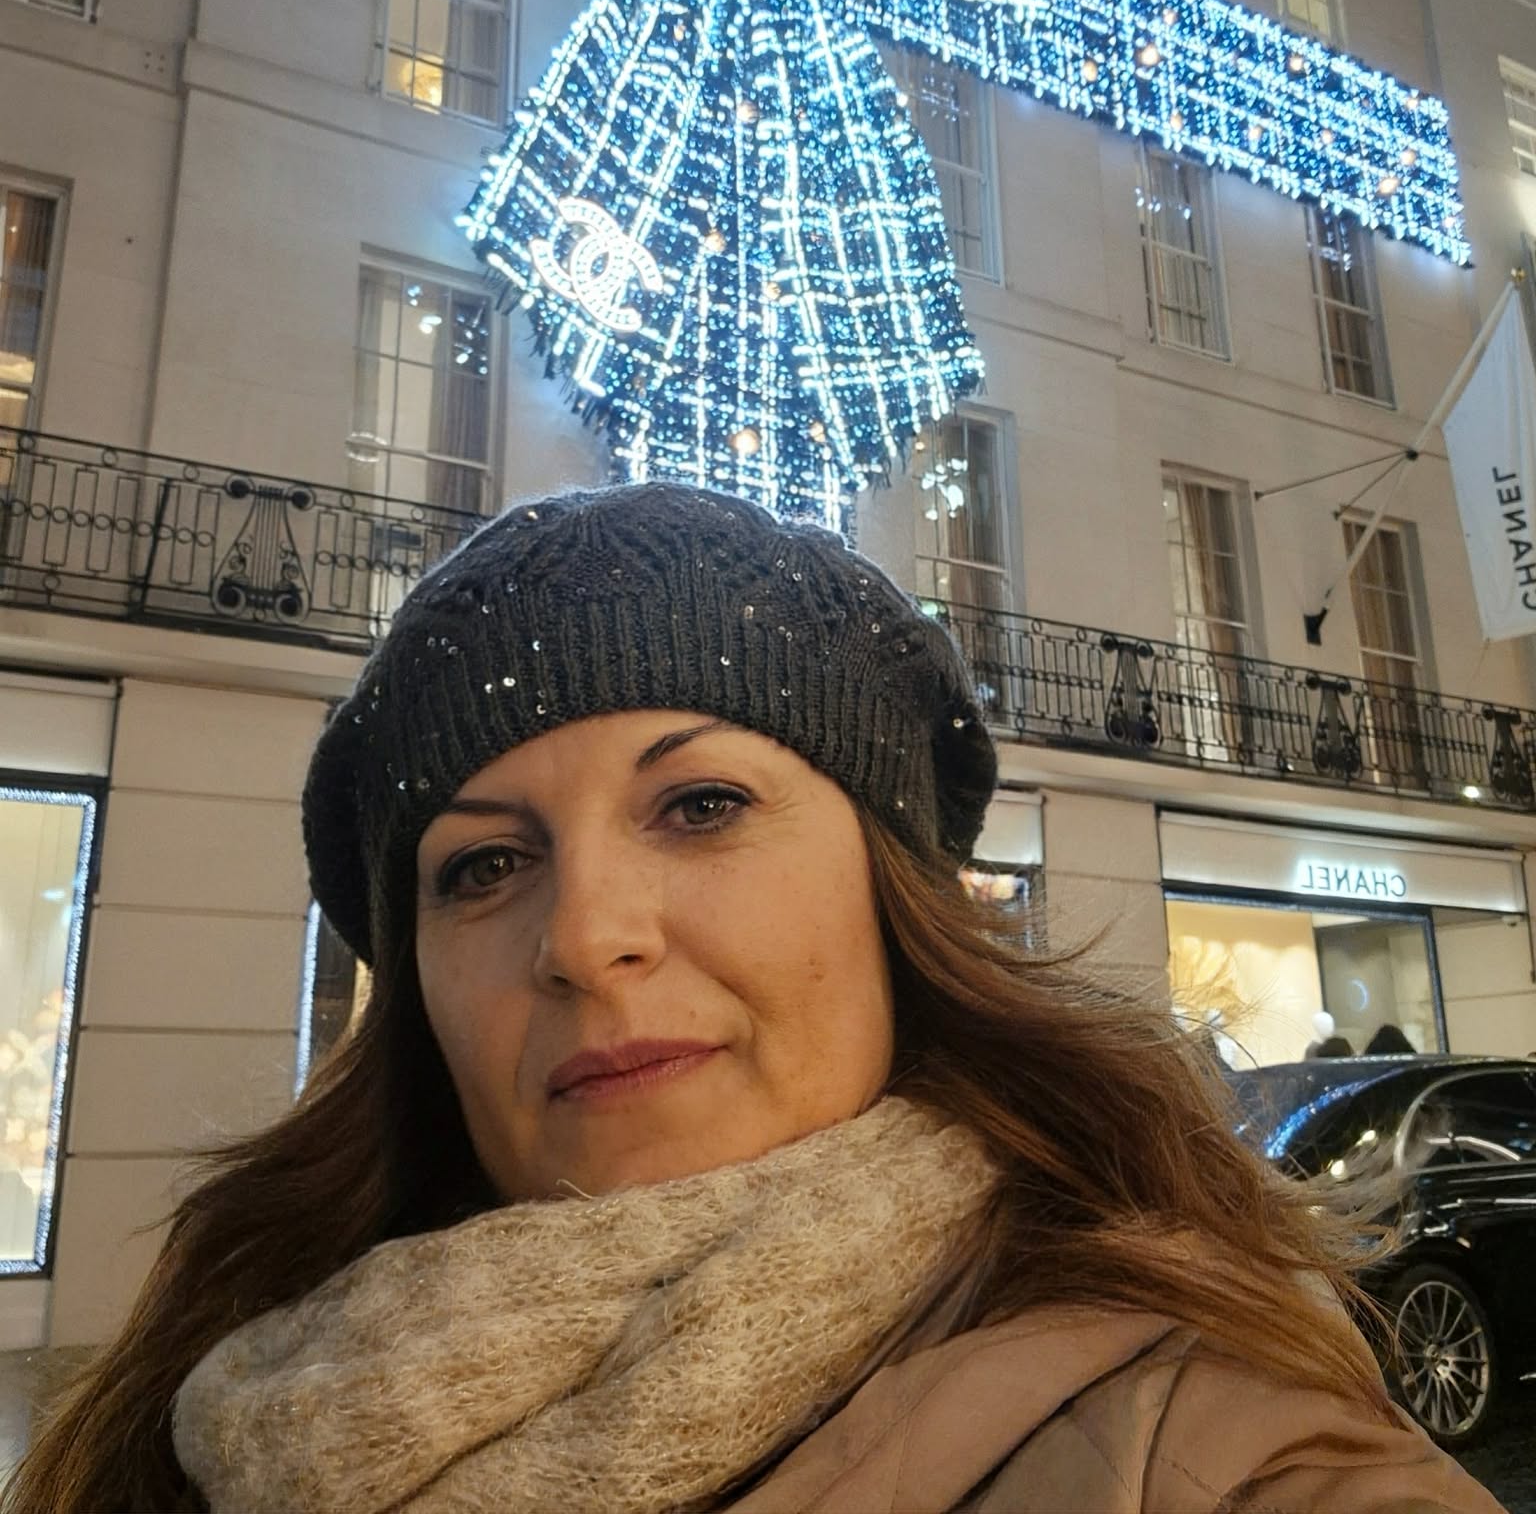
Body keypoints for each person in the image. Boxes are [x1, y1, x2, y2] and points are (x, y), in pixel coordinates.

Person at [4, 485, 1504, 1513]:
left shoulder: (1225, 1455)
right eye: (482, 867)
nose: (584, 938)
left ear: (894, 901)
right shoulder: (200, 1428)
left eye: (702, 805)